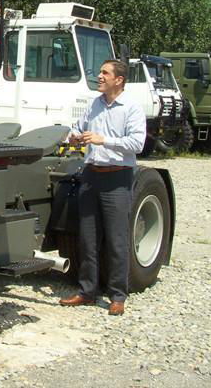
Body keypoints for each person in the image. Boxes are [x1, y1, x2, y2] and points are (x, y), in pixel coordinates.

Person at [59, 59, 146, 316]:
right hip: (91, 175)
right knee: (88, 238)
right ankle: (87, 291)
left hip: (117, 178)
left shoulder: (131, 108)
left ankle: (117, 295)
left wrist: (103, 140)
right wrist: (73, 136)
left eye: (104, 73)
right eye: (100, 72)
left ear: (118, 79)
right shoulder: (95, 104)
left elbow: (137, 143)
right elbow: (78, 129)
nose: (99, 76)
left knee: (117, 240)